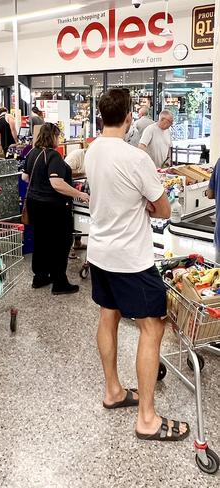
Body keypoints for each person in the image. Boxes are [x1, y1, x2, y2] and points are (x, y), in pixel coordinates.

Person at [85, 88, 187, 442]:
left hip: (99, 253)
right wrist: (143, 206)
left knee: (108, 316)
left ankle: (112, 390)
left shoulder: (91, 151)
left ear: (101, 116)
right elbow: (164, 209)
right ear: (129, 117)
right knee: (153, 328)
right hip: (131, 258)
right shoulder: (135, 159)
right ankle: (147, 418)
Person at [22, 123, 88, 294]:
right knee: (61, 243)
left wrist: (39, 184)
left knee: (42, 241)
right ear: (52, 137)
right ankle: (59, 282)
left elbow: (25, 176)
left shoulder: (32, 153)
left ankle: (40, 277)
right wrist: (80, 194)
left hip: (35, 205)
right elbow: (57, 183)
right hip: (53, 207)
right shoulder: (53, 156)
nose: (59, 139)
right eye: (57, 136)